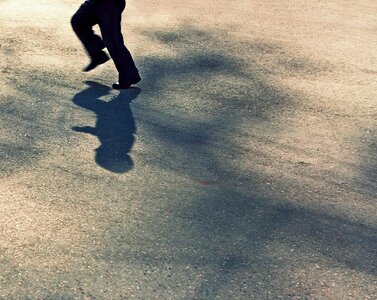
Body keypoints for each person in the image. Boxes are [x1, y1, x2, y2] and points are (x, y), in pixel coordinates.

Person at [71, 0, 140, 89]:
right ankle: (97, 54)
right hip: (95, 2)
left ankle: (129, 75)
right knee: (78, 21)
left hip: (110, 4)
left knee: (112, 40)